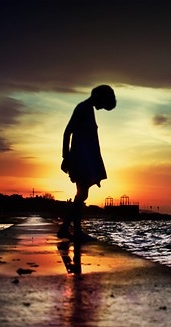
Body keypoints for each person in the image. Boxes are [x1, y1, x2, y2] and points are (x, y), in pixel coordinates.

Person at [58, 85, 116, 240]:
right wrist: (66, 156)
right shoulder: (83, 108)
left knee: (82, 194)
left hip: (85, 159)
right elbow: (67, 131)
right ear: (99, 97)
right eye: (103, 105)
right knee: (82, 194)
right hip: (79, 159)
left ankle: (74, 230)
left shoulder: (88, 110)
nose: (102, 108)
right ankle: (67, 229)